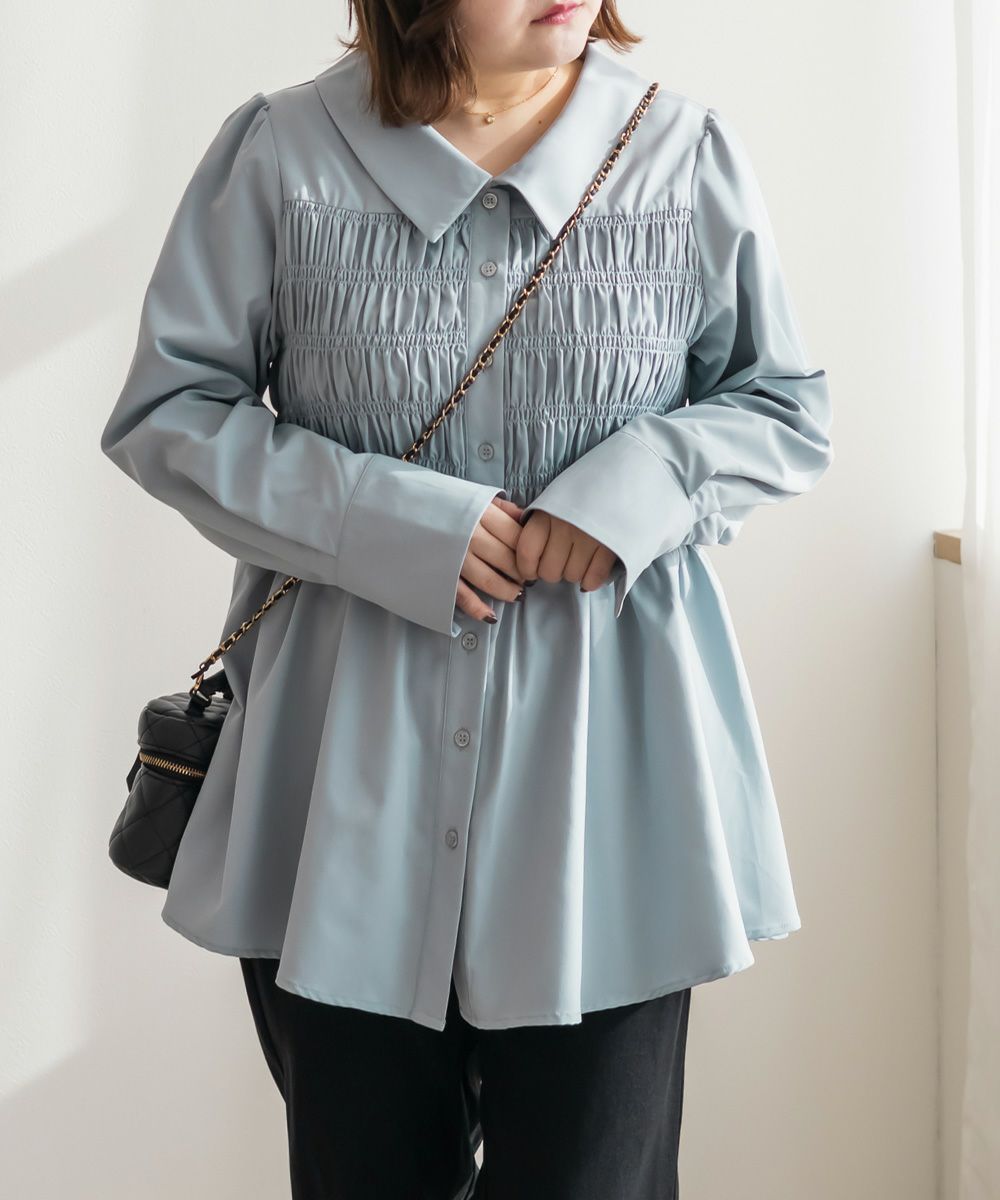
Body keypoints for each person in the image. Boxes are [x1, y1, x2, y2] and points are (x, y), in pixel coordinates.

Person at [99, 0, 834, 1196]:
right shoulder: (282, 153)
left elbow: (783, 405)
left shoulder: (681, 153)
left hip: (608, 798)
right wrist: (385, 523)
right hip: (340, 792)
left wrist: (638, 486)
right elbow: (168, 414)